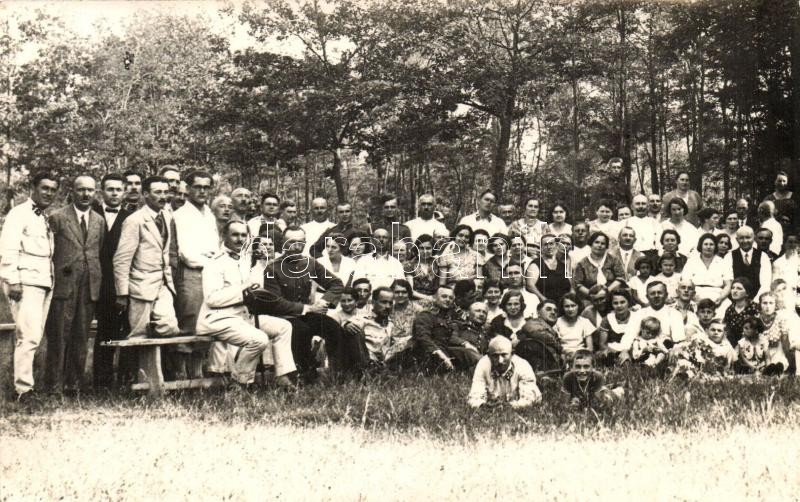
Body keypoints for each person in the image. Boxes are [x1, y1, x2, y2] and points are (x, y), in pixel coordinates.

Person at [249, 226, 360, 381]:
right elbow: (275, 302)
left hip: (307, 314)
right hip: (284, 316)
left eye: (301, 242)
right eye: (291, 242)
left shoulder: (310, 264)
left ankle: (338, 373)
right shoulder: (272, 268)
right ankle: (304, 374)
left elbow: (336, 284)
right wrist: (307, 308)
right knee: (302, 330)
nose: (296, 246)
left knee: (332, 327)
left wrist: (324, 301)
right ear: (283, 243)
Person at [196, 220, 296, 388]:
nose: (240, 239)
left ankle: (282, 376)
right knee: (259, 339)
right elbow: (212, 299)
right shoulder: (214, 263)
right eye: (235, 235)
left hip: (242, 316)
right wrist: (244, 290)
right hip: (218, 318)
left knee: (283, 327)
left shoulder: (244, 261)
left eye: (244, 235)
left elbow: (253, 289)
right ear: (224, 236)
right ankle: (238, 382)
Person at [43, 175, 105, 394]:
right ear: (72, 191)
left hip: (89, 287)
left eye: (90, 190)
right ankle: (53, 385)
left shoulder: (99, 220)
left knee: (81, 335)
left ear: (95, 192)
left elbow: (97, 250)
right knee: (59, 335)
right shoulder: (57, 217)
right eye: (81, 190)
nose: (86, 194)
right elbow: (49, 252)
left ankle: (74, 385)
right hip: (64, 285)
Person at [0, 172, 58, 401]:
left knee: (34, 335)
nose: (49, 193)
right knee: (28, 335)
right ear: (33, 188)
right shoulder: (19, 214)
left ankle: (26, 386)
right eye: (45, 188)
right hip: (25, 283)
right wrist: (12, 280)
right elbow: (8, 249)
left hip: (43, 281)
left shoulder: (42, 217)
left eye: (53, 190)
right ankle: (23, 389)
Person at [113, 176, 180, 339]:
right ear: (145, 194)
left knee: (169, 327)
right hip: (140, 287)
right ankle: (139, 356)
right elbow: (122, 260)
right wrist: (122, 293)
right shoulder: (134, 220)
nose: (163, 196)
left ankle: (149, 347)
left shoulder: (167, 217)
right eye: (158, 192)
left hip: (163, 284)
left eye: (165, 192)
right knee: (139, 336)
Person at [173, 170, 221, 374]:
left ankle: (198, 371)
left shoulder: (209, 214)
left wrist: (214, 259)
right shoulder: (180, 215)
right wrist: (208, 259)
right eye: (198, 187)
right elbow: (185, 252)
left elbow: (215, 247)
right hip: (191, 274)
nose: (202, 191)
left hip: (211, 274)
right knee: (189, 319)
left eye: (206, 187)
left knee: (207, 320)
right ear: (188, 188)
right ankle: (180, 373)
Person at [93, 173, 135, 388]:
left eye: (118, 189)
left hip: (119, 284)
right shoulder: (91, 213)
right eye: (110, 189)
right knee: (101, 332)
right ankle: (99, 380)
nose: (114, 193)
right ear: (101, 191)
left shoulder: (131, 217)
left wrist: (123, 289)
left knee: (121, 330)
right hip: (93, 282)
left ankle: (122, 378)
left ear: (124, 192)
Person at [413, 285, 480, 371]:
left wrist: (465, 343)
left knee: (469, 353)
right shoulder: (425, 315)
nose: (448, 300)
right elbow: (423, 338)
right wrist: (440, 354)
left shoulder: (447, 316)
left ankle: (487, 368)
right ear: (435, 298)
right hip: (429, 352)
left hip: (445, 349)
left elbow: (450, 337)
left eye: (451, 298)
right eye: (444, 296)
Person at [467, 336, 541, 409]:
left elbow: (529, 399)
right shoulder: (483, 365)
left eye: (504, 355)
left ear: (512, 354)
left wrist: (508, 406)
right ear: (489, 355)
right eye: (495, 356)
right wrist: (484, 406)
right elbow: (474, 396)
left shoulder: (523, 366)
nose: (500, 361)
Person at [618, 282, 686, 352]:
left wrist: (673, 351)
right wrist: (624, 351)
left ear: (666, 295)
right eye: (652, 293)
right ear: (647, 297)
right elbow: (629, 336)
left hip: (666, 352)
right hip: (642, 351)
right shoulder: (639, 313)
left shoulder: (675, 314)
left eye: (659, 293)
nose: (656, 296)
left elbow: (679, 340)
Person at [681, 233, 732, 313]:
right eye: (706, 244)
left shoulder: (723, 262)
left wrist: (721, 298)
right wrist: (695, 298)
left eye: (711, 244)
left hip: (717, 296)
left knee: (726, 309)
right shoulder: (691, 261)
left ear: (715, 246)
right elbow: (686, 282)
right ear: (700, 246)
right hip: (695, 295)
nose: (708, 247)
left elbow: (728, 285)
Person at [345, 287, 394, 365]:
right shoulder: (362, 319)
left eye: (390, 303)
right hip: (364, 361)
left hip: (383, 364)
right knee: (355, 330)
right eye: (384, 302)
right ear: (373, 302)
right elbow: (348, 325)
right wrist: (347, 325)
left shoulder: (392, 324)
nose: (388, 306)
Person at [572, 231, 624, 304]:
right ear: (591, 244)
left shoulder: (613, 260)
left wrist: (606, 292)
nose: (599, 245)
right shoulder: (582, 263)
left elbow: (620, 278)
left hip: (613, 298)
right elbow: (577, 284)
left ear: (606, 246)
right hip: (590, 300)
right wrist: (593, 295)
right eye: (596, 242)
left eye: (603, 243)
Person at [384, 278, 422, 363]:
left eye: (404, 292)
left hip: (411, 345)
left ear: (409, 293)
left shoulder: (417, 310)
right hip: (391, 344)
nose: (400, 295)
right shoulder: (388, 309)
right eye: (397, 292)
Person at [526, 233, 572, 303]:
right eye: (545, 244)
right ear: (541, 247)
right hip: (544, 303)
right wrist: (545, 300)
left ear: (557, 245)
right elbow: (530, 285)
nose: (549, 247)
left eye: (551, 244)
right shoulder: (535, 264)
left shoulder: (563, 265)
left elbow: (570, 286)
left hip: (563, 304)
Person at [597, 289, 636, 364]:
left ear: (628, 302)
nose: (619, 306)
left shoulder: (636, 317)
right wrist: (618, 353)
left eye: (622, 302)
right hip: (612, 350)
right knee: (603, 355)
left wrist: (626, 351)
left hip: (632, 350)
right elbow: (602, 344)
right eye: (615, 303)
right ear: (611, 304)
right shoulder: (607, 319)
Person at [756, 292, 792, 374]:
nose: (768, 306)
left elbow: (785, 339)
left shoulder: (780, 319)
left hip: (776, 349)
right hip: (760, 351)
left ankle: (777, 368)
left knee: (778, 362)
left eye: (771, 303)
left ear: (775, 305)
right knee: (762, 366)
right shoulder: (756, 319)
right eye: (765, 303)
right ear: (760, 304)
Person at [731, 226, 771, 299]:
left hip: (757, 298)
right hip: (735, 298)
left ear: (754, 238)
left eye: (748, 237)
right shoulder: (729, 256)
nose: (745, 241)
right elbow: (729, 282)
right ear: (737, 239)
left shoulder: (763, 256)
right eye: (741, 238)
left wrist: (755, 301)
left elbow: (765, 283)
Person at [554, 293, 595, 358]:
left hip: (581, 355)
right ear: (562, 308)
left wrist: (579, 355)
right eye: (567, 306)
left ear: (578, 306)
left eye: (573, 306)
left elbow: (590, 348)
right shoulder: (557, 322)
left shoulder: (585, 322)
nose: (570, 309)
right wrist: (566, 353)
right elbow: (555, 345)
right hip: (563, 354)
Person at [723, 277, 760, 347]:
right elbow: (726, 331)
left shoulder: (754, 308)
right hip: (733, 345)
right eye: (733, 288)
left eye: (739, 288)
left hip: (752, 344)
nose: (734, 291)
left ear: (747, 293)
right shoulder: (729, 310)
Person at [406, 234, 438, 300]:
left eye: (428, 248)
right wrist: (427, 298)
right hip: (415, 299)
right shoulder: (410, 265)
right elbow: (410, 290)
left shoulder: (437, 263)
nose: (425, 251)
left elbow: (440, 286)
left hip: (435, 299)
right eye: (421, 248)